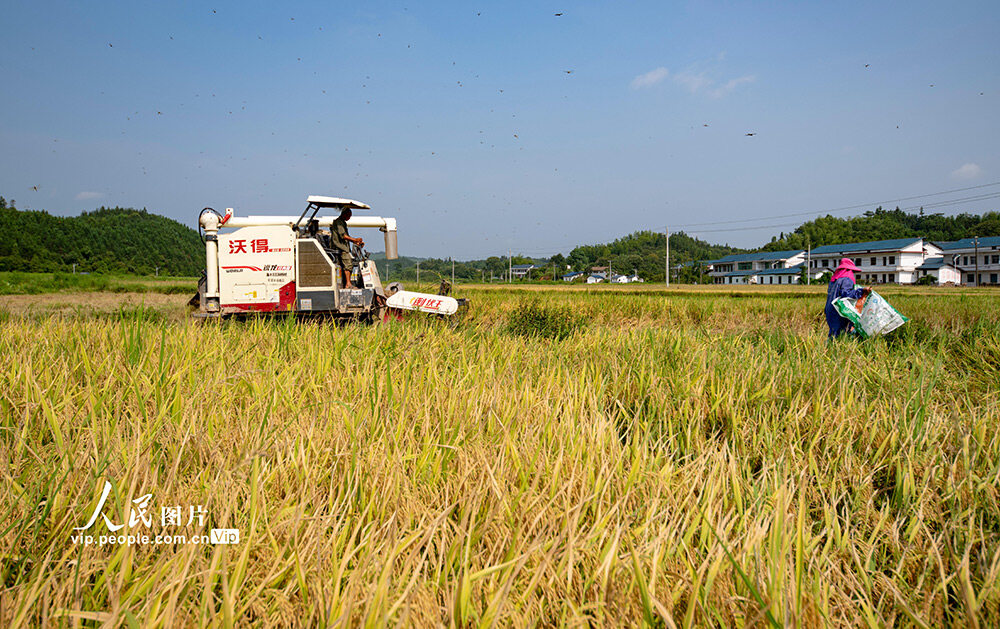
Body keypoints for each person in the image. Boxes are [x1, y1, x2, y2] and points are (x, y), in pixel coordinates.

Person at [825, 258, 870, 338]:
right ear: (849, 270)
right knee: (843, 333)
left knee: (833, 333)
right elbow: (846, 294)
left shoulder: (834, 280)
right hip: (839, 311)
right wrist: (861, 291)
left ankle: (829, 348)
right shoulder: (847, 279)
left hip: (830, 310)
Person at [330, 207, 365, 288]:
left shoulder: (342, 223)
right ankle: (348, 284)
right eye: (349, 215)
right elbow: (343, 236)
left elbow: (346, 236)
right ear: (344, 214)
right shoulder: (339, 223)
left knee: (349, 264)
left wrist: (356, 241)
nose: (349, 217)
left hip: (343, 247)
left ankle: (346, 282)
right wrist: (354, 240)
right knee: (348, 264)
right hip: (340, 247)